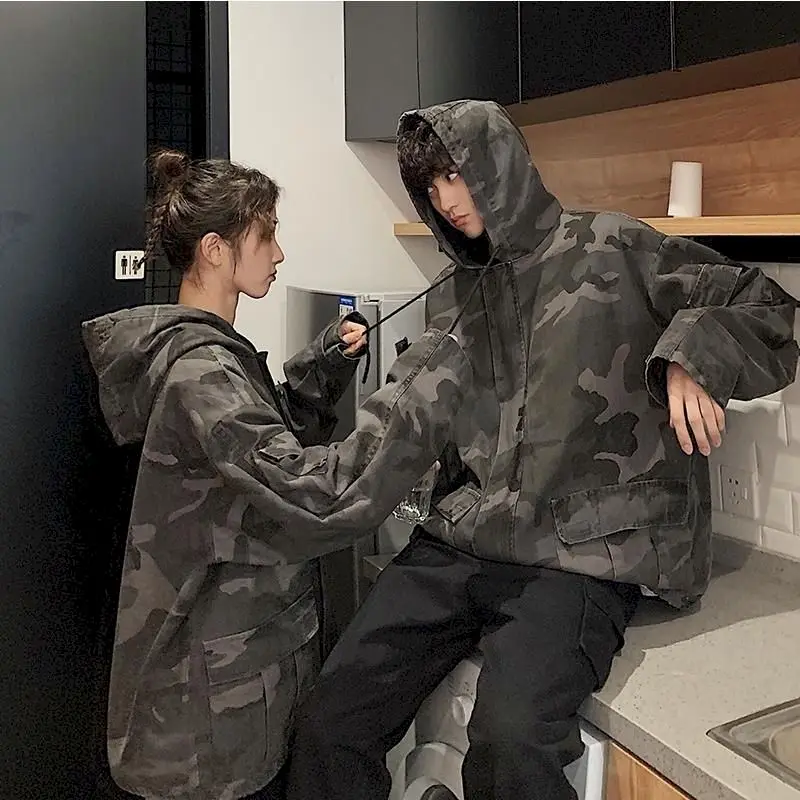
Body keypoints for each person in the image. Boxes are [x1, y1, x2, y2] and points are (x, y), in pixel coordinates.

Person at [285, 100, 800, 800]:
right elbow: (415, 424)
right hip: (458, 542)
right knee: (328, 721)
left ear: (497, 165)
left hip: (575, 556)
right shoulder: (457, 294)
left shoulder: (612, 247)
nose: (446, 199)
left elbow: (768, 306)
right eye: (430, 186)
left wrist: (694, 354)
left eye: (454, 175)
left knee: (511, 743)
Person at [81, 149, 472, 800]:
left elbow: (260, 454)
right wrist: (422, 381)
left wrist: (324, 367)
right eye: (266, 236)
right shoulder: (201, 376)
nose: (279, 253)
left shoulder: (210, 358)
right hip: (211, 731)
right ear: (215, 250)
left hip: (228, 690)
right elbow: (314, 496)